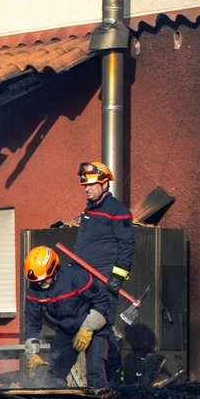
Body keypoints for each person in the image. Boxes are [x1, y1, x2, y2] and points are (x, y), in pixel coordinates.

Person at [72, 160, 134, 381]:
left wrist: (117, 276)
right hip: (85, 280)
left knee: (97, 330)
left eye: (91, 184)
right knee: (99, 331)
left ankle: (100, 384)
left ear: (105, 183)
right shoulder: (90, 210)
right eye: (85, 185)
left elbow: (127, 245)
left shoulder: (118, 211)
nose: (87, 189)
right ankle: (112, 379)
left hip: (103, 281)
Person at [21, 245, 114, 389]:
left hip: (94, 328)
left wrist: (87, 329)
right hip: (66, 329)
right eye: (36, 281)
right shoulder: (34, 289)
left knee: (96, 375)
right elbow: (32, 321)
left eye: (44, 279)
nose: (40, 283)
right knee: (54, 378)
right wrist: (32, 353)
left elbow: (102, 303)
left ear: (53, 268)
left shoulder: (77, 277)